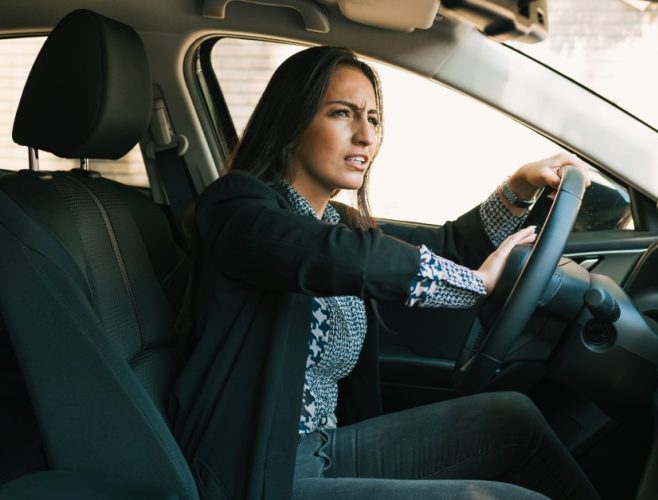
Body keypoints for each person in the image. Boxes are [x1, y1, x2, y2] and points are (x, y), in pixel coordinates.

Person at [169, 45, 599, 500]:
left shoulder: (335, 221)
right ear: (290, 124)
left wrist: (520, 185)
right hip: (256, 475)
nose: (365, 137)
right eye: (342, 113)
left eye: (373, 119)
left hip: (323, 449)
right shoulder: (237, 208)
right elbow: (345, 258)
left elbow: (446, 249)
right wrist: (478, 284)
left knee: (514, 420)